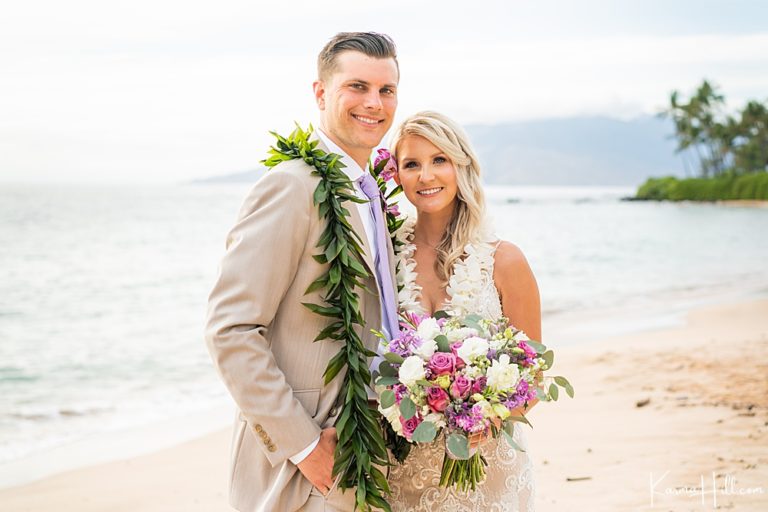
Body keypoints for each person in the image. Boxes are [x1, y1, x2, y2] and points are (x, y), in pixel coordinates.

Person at [205, 32, 399, 512]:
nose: (374, 103)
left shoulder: (369, 191)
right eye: (357, 86)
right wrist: (306, 447)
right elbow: (230, 329)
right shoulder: (291, 186)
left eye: (387, 90)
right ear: (321, 93)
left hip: (368, 455)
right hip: (307, 470)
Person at [386, 111, 541, 511]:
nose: (426, 176)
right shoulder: (383, 258)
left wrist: (488, 418)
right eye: (412, 164)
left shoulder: (504, 260)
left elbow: (535, 373)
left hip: (487, 467)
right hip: (402, 469)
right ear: (396, 176)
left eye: (440, 160)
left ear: (461, 166)